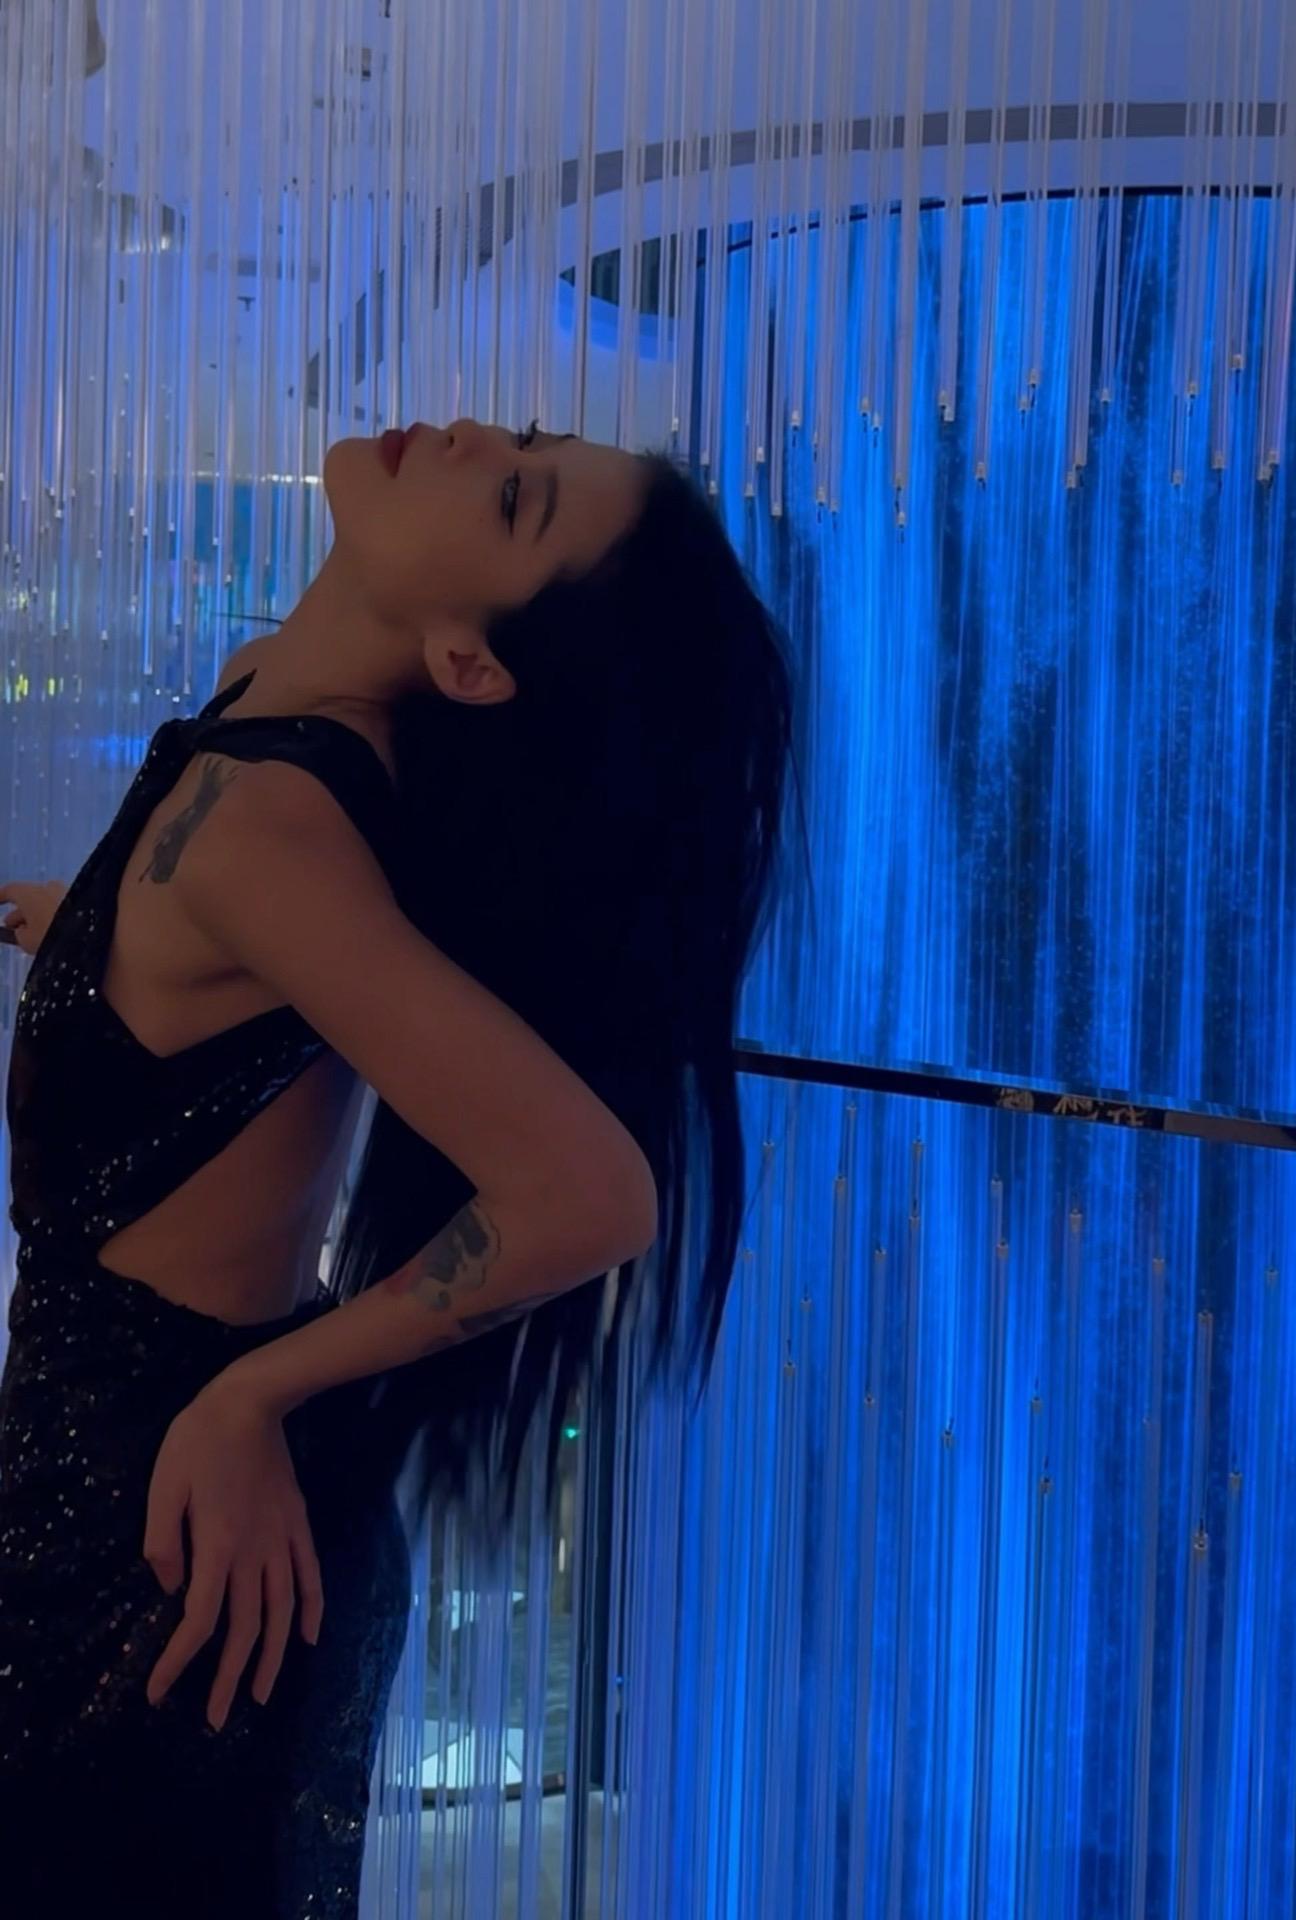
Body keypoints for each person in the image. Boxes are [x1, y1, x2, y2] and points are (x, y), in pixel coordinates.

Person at [0, 418, 807, 1915]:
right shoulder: (267, 711)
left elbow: (593, 1194)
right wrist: (91, 934)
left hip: (159, 1542)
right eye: (528, 444)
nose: (470, 435)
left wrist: (253, 1394)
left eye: (510, 496)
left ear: (468, 662)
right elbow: (255, 996)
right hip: (132, 1489)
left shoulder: (268, 830)